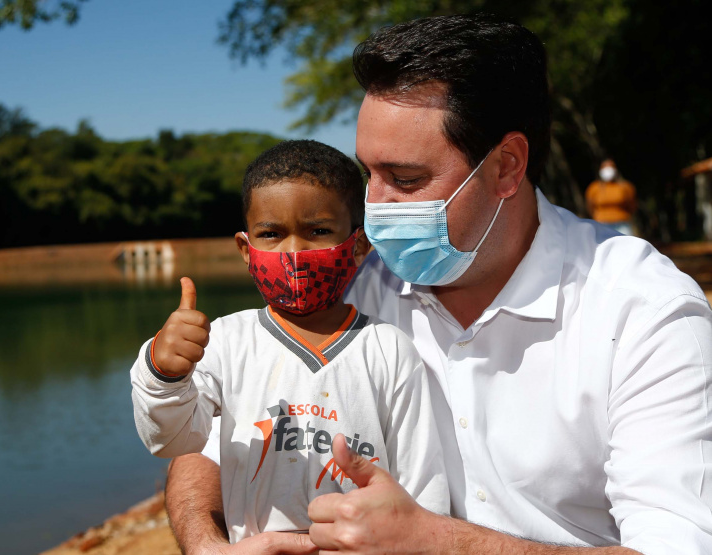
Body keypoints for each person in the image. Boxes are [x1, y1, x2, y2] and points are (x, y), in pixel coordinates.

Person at [164, 13, 712, 555]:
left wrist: (438, 542)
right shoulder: (351, 288)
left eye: (405, 180)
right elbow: (212, 438)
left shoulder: (646, 315)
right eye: (367, 175)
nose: (374, 206)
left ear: (506, 167)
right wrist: (207, 543)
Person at [130, 140, 449, 543]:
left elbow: (424, 487)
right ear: (246, 250)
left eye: (318, 231)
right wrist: (164, 373)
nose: (295, 252)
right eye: (272, 233)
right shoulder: (225, 342)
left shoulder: (390, 350)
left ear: (359, 246)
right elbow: (170, 439)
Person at [586, 159, 638, 235]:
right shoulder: (594, 188)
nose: (608, 170)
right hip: (601, 223)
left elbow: (632, 205)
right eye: (605, 167)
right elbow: (590, 206)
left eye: (610, 167)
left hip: (622, 224)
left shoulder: (625, 187)